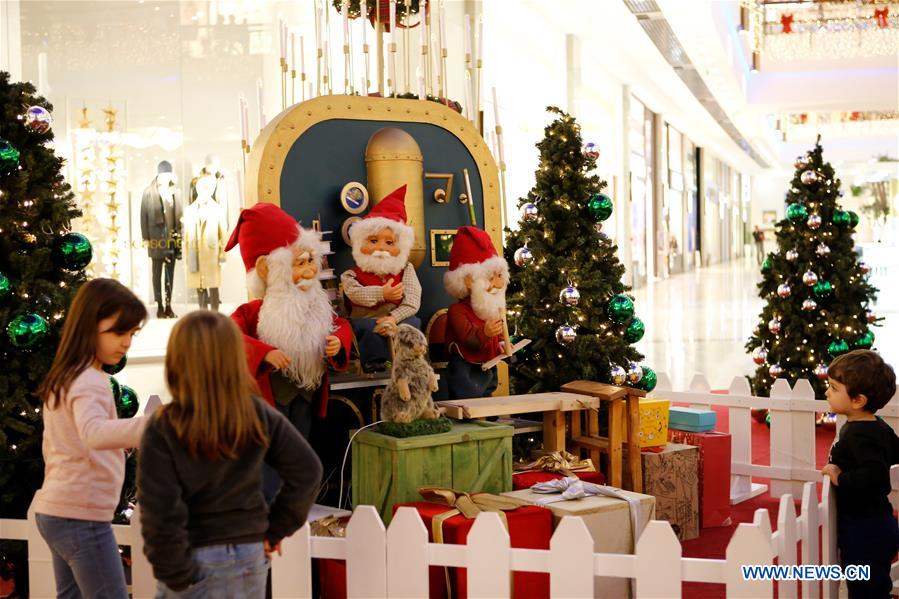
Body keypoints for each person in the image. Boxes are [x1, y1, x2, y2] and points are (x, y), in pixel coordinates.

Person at [138, 311, 323, 598]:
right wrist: (275, 529)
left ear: (178, 360)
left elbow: (159, 508)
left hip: (194, 557)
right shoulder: (256, 413)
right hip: (250, 554)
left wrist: (174, 572)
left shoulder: (165, 426)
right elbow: (308, 471)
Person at [32, 278, 149, 599]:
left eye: (132, 334)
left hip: (55, 511)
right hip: (81, 516)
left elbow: (72, 440)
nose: (126, 343)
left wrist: (121, 444)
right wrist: (150, 426)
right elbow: (93, 433)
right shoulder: (90, 380)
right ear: (89, 326)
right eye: (118, 332)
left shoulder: (66, 375)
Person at [821, 349, 899, 598]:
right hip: (876, 522)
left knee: (867, 590)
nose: (827, 392)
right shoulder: (876, 425)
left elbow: (875, 476)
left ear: (858, 400)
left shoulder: (860, 434)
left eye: (834, 388)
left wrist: (840, 477)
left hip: (866, 529)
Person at [341, 185, 422, 372]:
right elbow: (354, 293)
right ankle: (375, 364)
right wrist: (382, 293)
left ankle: (410, 361)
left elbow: (412, 301)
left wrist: (393, 318)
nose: (381, 248)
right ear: (361, 243)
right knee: (365, 328)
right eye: (373, 241)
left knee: (412, 324)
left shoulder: (406, 269)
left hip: (397, 318)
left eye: (389, 242)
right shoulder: (351, 274)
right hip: (367, 319)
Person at [442, 226, 509, 399]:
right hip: (465, 371)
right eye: (490, 278)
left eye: (499, 276)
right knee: (467, 400)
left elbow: (498, 335)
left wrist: (502, 343)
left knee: (487, 396)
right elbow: (469, 340)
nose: (497, 284)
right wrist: (485, 333)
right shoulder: (457, 311)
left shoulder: (489, 308)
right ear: (468, 281)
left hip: (487, 366)